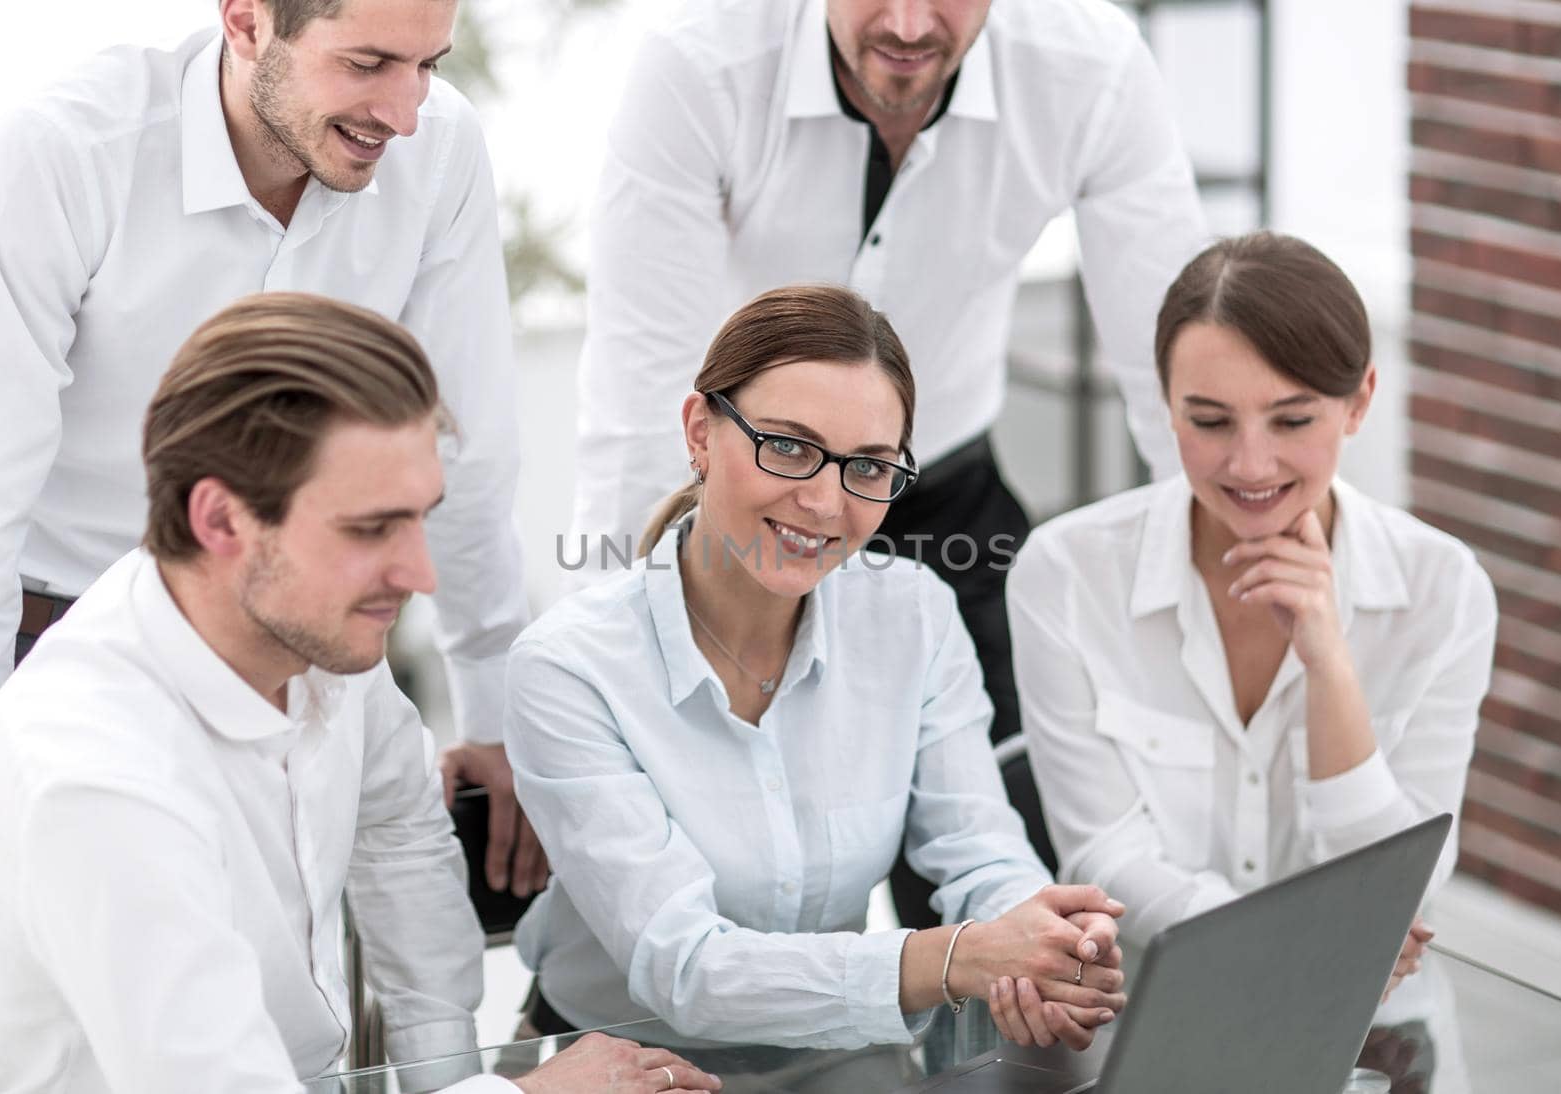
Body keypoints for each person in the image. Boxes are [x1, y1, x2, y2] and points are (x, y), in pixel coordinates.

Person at [0, 294, 720, 1094]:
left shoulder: (315, 629)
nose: (419, 576)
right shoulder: (98, 776)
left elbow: (400, 830)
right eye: (371, 530)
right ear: (221, 520)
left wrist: (447, 1074)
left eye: (419, 521)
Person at [0, 0, 539, 895]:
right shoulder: (65, 152)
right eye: (366, 65)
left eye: (429, 65)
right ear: (246, 23)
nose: (403, 112)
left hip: (293, 651)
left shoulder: (439, 151)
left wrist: (494, 710)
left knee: (307, 976)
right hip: (53, 650)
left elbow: (468, 451)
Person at [505, 285, 1127, 1070]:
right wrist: (961, 958)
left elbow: (980, 851)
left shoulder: (915, 618)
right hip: (616, 1064)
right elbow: (685, 967)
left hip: (831, 1054)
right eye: (789, 446)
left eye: (867, 465)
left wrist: (1044, 942)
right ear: (700, 431)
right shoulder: (569, 667)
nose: (825, 501)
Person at [567, 0, 1209, 752]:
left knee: (1010, 818)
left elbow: (1179, 368)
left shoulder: (1093, 71)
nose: (907, 26)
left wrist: (1208, 616)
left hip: (953, 506)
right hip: (751, 513)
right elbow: (637, 398)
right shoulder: (700, 67)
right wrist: (607, 678)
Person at [1007, 233, 1497, 996]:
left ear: (1359, 402)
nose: (1250, 465)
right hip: (1146, 1010)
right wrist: (1290, 949)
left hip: (1369, 1028)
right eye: (1209, 421)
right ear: (1166, 407)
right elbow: (1101, 851)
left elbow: (1411, 885)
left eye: (1292, 421)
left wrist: (1330, 665)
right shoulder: (1066, 574)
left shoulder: (1444, 590)